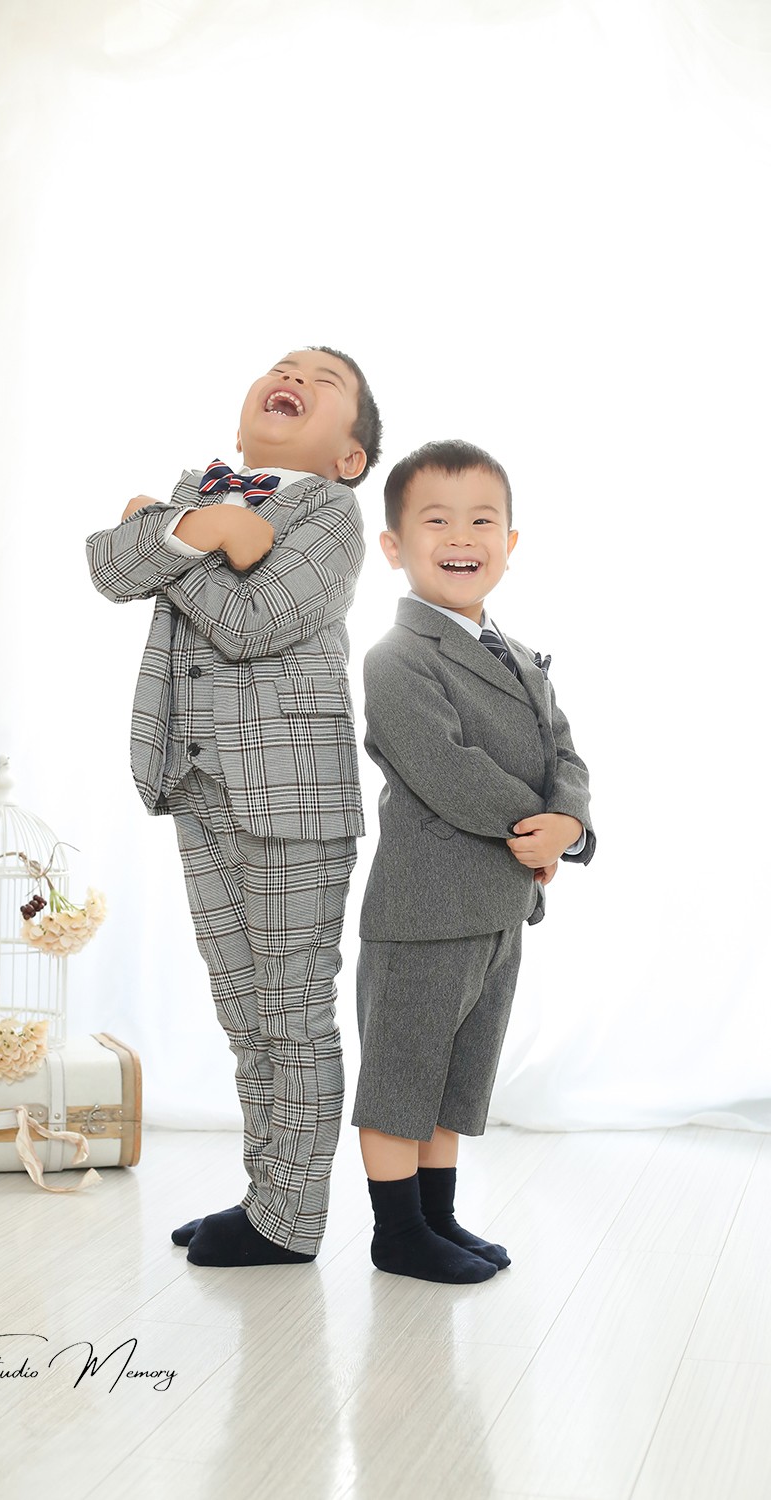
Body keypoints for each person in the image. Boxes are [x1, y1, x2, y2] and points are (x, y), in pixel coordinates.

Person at [86, 347, 382, 1266]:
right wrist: (206, 524)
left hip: (292, 794)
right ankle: (266, 1201)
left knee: (293, 1013)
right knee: (245, 1012)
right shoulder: (199, 494)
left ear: (349, 455)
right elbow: (106, 566)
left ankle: (292, 1221)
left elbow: (251, 623)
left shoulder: (331, 513)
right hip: (195, 780)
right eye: (283, 367)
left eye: (323, 382)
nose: (293, 377)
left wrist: (171, 539)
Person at [353, 439, 594, 1284]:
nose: (462, 536)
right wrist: (535, 826)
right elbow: (449, 771)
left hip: (499, 905)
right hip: (424, 909)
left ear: (510, 542)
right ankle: (397, 1233)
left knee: (457, 1076)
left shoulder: (520, 656)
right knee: (402, 1075)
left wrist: (570, 823)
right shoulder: (398, 656)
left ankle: (438, 1216)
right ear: (394, 546)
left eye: (482, 520)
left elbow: (566, 754)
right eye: (437, 521)